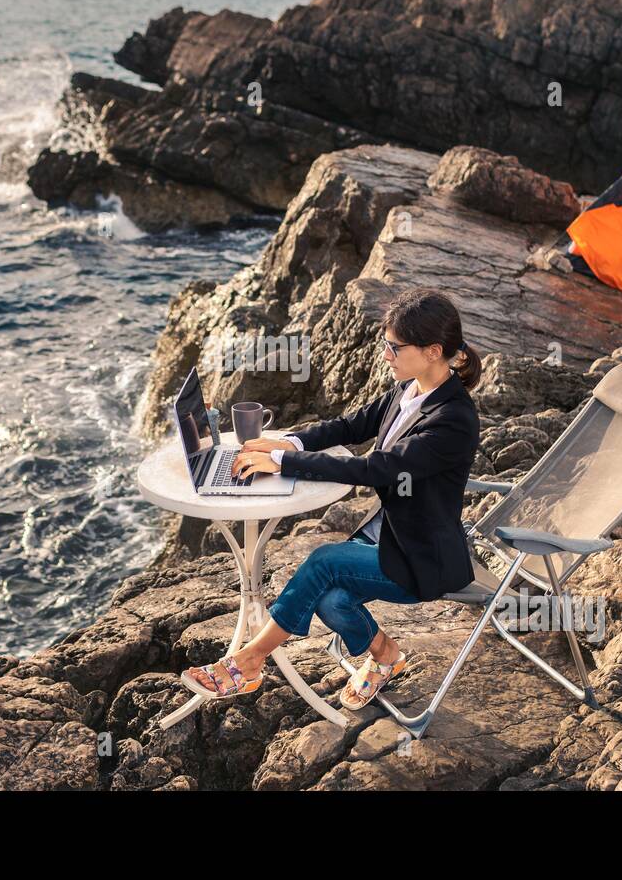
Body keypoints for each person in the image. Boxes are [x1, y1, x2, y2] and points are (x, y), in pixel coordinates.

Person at [180, 287, 482, 709]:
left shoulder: (453, 420)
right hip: (388, 533)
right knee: (330, 597)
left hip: (422, 559)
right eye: (385, 345)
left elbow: (375, 468)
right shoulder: (410, 390)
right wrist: (284, 442)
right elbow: (349, 425)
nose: (386, 356)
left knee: (323, 562)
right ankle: (386, 656)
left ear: (433, 351)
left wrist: (286, 463)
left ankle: (249, 660)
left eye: (394, 347)